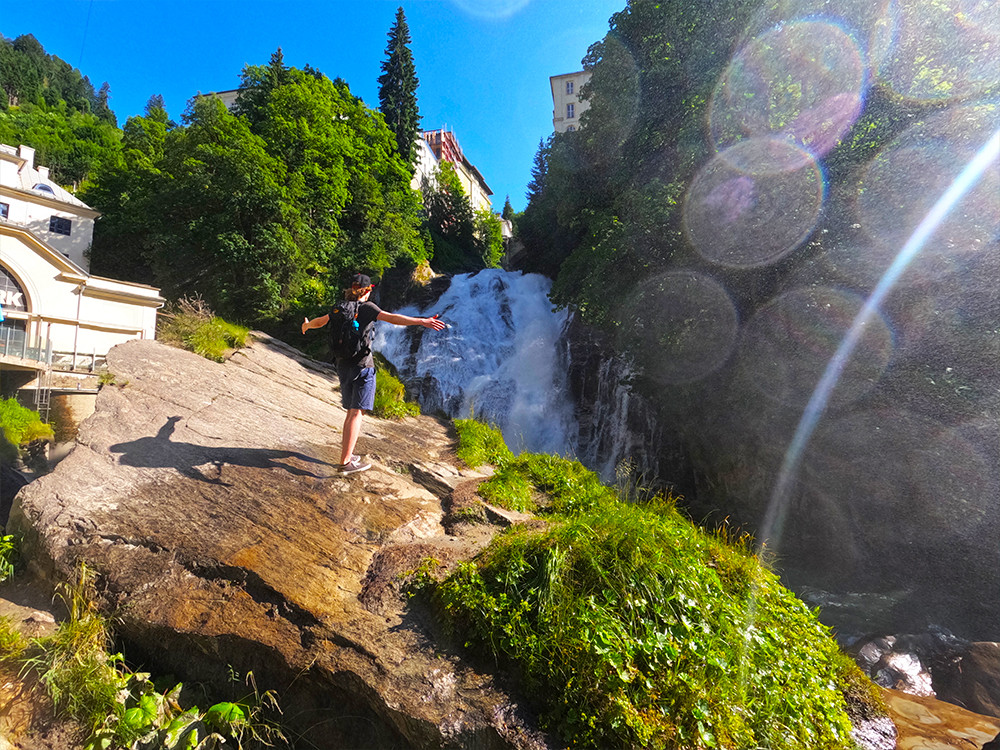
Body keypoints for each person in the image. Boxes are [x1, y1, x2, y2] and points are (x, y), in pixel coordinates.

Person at [302, 273, 446, 475]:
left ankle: (347, 454)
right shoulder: (367, 308)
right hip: (362, 366)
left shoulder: (339, 308)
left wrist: (307, 325)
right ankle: (345, 462)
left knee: (351, 412)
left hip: (342, 365)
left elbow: (320, 322)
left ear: (351, 289)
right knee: (356, 413)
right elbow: (393, 318)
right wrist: (421, 321)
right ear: (368, 290)